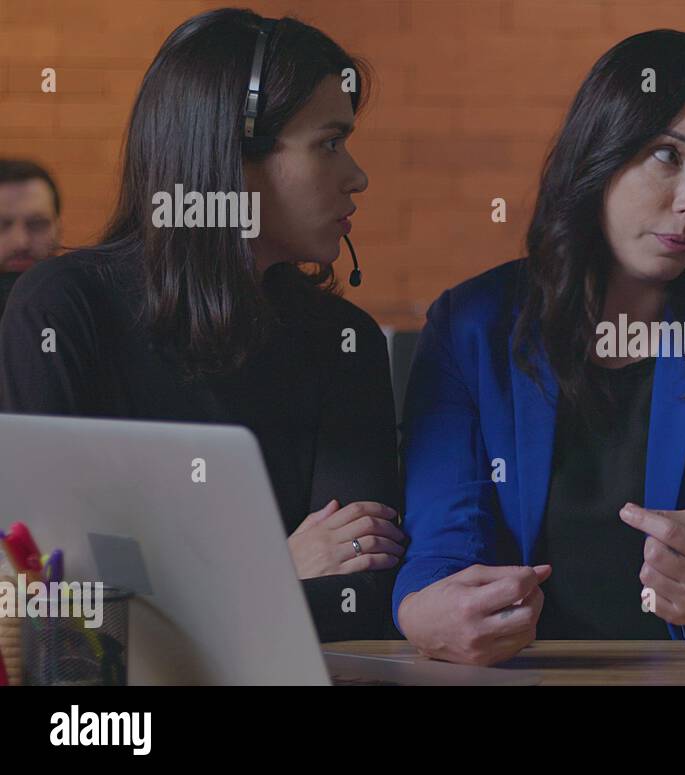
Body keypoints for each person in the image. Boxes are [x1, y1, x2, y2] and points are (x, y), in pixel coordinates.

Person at [394, 29, 685, 666]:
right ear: (603, 152)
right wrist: (423, 608)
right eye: (668, 155)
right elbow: (443, 545)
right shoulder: (473, 324)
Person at [0, 9, 404, 641]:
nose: (357, 175)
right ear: (233, 154)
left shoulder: (342, 341)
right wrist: (275, 565)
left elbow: (359, 593)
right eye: (329, 143)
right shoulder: (62, 308)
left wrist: (168, 588)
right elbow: (54, 594)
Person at [0, 159, 62, 315]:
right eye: (2, 225)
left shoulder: (84, 310)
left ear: (59, 228)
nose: (21, 242)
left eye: (37, 224)